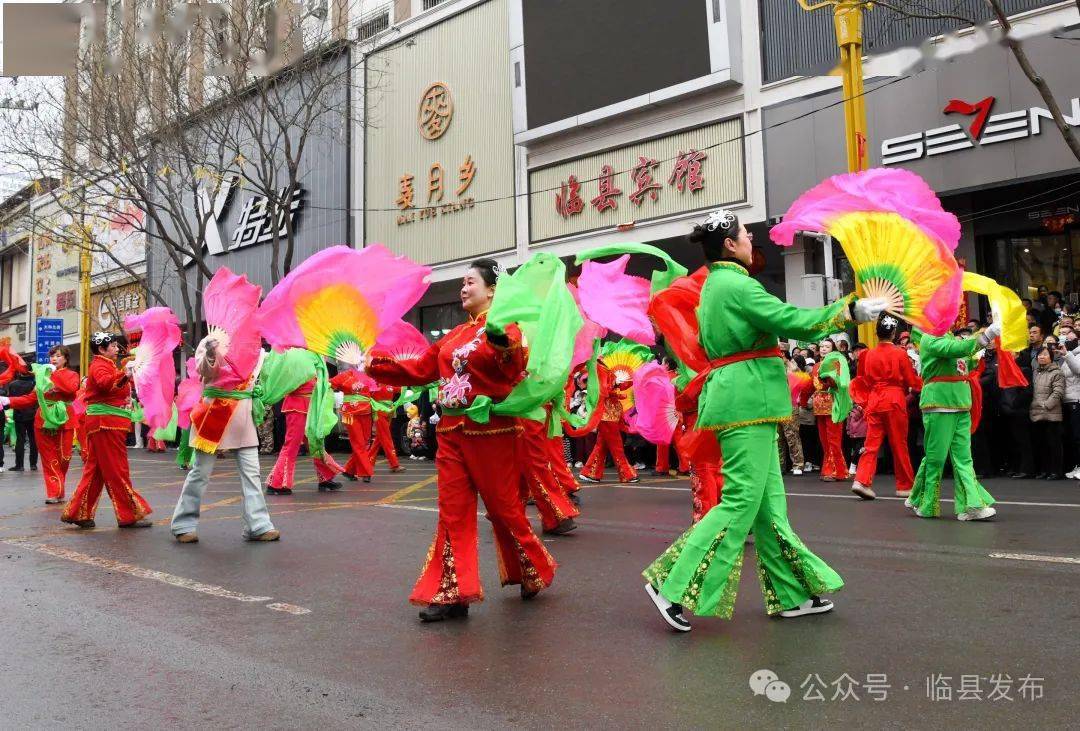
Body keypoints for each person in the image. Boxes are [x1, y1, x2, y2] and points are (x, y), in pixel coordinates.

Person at [642, 209, 888, 631]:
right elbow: (791, 320)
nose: (752, 242)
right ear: (730, 245)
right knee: (740, 502)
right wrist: (850, 310)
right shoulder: (737, 285)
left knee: (768, 507)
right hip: (747, 401)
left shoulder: (716, 286)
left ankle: (790, 595)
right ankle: (670, 585)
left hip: (744, 398)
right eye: (745, 235)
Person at [367, 258, 558, 622]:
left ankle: (534, 567)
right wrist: (371, 364)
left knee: (504, 510)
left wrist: (502, 340)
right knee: (452, 512)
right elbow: (420, 369)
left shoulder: (506, 328)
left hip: (493, 432)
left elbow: (513, 366)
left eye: (470, 282)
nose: (463, 288)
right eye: (462, 283)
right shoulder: (454, 335)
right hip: (451, 434)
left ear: (492, 290)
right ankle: (452, 592)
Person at [170, 333, 280, 543]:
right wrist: (212, 353)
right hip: (214, 412)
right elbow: (203, 372)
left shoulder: (255, 345)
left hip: (243, 414)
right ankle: (183, 524)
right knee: (200, 472)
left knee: (252, 473)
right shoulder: (212, 339)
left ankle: (258, 525)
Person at [56, 332, 152, 529]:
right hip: (105, 423)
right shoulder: (99, 365)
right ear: (101, 349)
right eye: (114, 346)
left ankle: (78, 512)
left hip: (107, 422)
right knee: (117, 468)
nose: (117, 349)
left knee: (96, 471)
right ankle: (128, 514)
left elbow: (113, 385)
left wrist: (126, 372)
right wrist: (124, 373)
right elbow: (105, 384)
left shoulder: (106, 365)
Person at [906, 325, 1000, 521]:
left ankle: (972, 505)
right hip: (939, 403)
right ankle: (926, 503)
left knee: (964, 459)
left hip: (961, 403)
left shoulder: (949, 338)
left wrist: (977, 352)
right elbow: (953, 350)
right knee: (936, 458)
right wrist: (985, 335)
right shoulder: (929, 338)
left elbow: (962, 361)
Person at [850, 314, 921, 499]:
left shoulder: (868, 354)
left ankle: (861, 480)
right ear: (893, 334)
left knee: (871, 444)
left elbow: (862, 380)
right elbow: (912, 380)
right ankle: (904, 486)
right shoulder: (900, 353)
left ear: (877, 333)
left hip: (874, 400)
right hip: (894, 399)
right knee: (899, 444)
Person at [0, 346, 79, 503]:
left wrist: (52, 375)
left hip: (64, 419)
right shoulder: (43, 374)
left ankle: (59, 489)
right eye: (52, 356)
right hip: (43, 420)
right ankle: (53, 492)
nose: (54, 359)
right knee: (48, 458)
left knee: (64, 457)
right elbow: (31, 398)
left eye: (58, 356)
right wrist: (9, 401)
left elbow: (71, 389)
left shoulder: (72, 374)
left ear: (66, 359)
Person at [266, 378, 344, 495]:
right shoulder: (295, 362)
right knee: (291, 445)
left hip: (311, 406)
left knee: (316, 443)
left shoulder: (314, 361)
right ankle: (276, 483)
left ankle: (325, 477)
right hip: (296, 406)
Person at [579, 359, 639, 484]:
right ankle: (627, 474)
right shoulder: (596, 367)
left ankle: (590, 472)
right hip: (606, 414)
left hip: (610, 413)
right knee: (616, 446)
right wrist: (614, 385)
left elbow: (612, 387)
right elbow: (602, 390)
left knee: (601, 446)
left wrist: (620, 383)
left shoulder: (602, 365)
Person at [811, 338, 847, 481]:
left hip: (833, 405)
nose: (823, 349)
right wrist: (801, 400)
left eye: (827, 346)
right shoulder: (816, 365)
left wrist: (827, 377)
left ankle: (833, 471)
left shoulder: (836, 363)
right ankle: (838, 469)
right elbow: (811, 384)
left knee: (834, 439)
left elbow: (838, 383)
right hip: (819, 407)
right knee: (824, 440)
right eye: (821, 346)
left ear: (833, 350)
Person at [329, 368, 375, 482]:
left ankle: (349, 470)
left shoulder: (371, 374)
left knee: (366, 442)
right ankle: (366, 472)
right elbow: (329, 384)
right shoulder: (344, 375)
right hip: (348, 413)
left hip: (366, 411)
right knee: (358, 442)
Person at [1030, 345, 1066, 480]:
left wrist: (1047, 405)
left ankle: (1056, 471)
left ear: (1051, 357)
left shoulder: (1057, 372)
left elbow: (1058, 392)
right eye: (1039, 354)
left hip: (1051, 413)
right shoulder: (1036, 372)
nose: (1042, 357)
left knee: (1053, 444)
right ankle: (1044, 470)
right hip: (1036, 413)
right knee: (1041, 444)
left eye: (1045, 354)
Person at [367, 381, 406, 474]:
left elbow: (403, 389)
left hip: (389, 413)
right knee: (386, 438)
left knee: (379, 439)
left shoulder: (390, 384)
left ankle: (367, 463)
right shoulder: (373, 385)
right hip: (379, 413)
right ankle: (394, 464)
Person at [6, 370, 38, 472]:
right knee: (33, 440)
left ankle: (19, 465)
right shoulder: (34, 384)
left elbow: (10, 399)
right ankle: (33, 464)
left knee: (20, 439)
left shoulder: (13, 384)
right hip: (32, 414)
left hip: (19, 414)